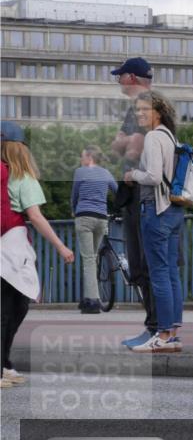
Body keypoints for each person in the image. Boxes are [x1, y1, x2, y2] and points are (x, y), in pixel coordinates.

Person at [1, 121, 75, 387]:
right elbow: (35, 216)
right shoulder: (22, 177)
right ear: (20, 148)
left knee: (11, 307)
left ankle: (5, 363)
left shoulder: (5, 174)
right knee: (12, 309)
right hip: (11, 246)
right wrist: (60, 245)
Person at [123, 91, 184, 354]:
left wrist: (132, 174)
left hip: (155, 211)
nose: (139, 115)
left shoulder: (153, 137)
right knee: (171, 274)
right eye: (137, 111)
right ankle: (171, 334)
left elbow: (153, 176)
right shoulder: (171, 137)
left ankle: (161, 334)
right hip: (174, 211)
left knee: (158, 273)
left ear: (157, 112)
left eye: (144, 110)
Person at [110, 57, 159, 346]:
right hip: (139, 196)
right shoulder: (146, 104)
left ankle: (156, 328)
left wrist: (124, 144)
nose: (117, 81)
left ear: (130, 77)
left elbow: (129, 148)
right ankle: (155, 327)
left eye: (119, 76)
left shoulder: (143, 105)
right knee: (145, 267)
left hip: (141, 196)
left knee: (145, 266)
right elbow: (120, 144)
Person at [72, 146, 118, 314]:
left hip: (84, 217)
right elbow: (117, 192)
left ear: (89, 157)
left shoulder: (80, 172)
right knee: (94, 258)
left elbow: (74, 195)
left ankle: (93, 302)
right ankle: (89, 297)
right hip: (101, 218)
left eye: (82, 156)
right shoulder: (106, 173)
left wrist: (73, 209)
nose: (80, 159)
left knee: (89, 259)